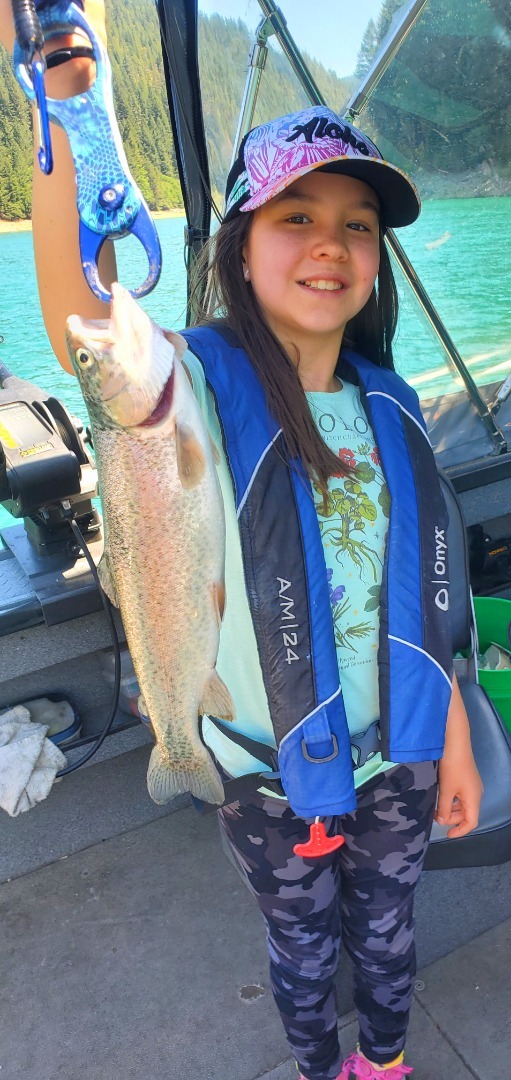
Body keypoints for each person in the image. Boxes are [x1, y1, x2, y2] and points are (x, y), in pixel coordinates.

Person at [0, 5, 483, 1078]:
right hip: (263, 775)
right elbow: (82, 305)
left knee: (391, 930)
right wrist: (62, 107)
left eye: (356, 224)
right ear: (237, 246)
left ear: (375, 261)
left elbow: (430, 602)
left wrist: (450, 734)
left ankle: (384, 1063)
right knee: (305, 949)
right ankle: (321, 1066)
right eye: (294, 217)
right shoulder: (194, 392)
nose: (330, 243)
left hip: (400, 755)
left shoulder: (393, 403)